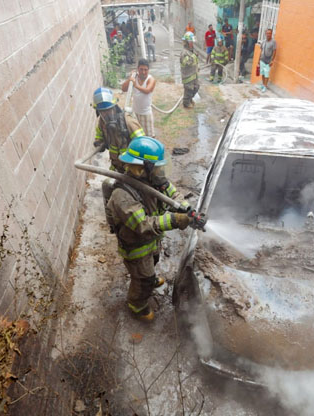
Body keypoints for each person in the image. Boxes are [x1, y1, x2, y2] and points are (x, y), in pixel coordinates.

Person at [105, 137, 195, 322]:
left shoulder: (153, 180)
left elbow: (172, 194)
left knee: (153, 261)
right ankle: (137, 305)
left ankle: (150, 277)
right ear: (141, 168)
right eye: (157, 167)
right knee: (142, 278)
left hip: (151, 242)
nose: (161, 172)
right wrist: (175, 220)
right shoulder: (122, 196)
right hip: (136, 247)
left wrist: (186, 209)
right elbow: (143, 225)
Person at [121, 59, 157, 137]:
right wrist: (130, 78)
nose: (143, 72)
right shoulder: (134, 78)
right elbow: (123, 89)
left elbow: (147, 90)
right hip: (135, 112)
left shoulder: (151, 79)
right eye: (141, 69)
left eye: (145, 70)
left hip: (146, 113)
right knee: (136, 136)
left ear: (148, 70)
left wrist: (135, 85)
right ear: (138, 69)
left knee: (150, 137)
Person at [180, 32, 200, 108]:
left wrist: (197, 67)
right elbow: (187, 63)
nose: (192, 43)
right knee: (188, 90)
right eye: (191, 42)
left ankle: (190, 99)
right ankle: (186, 103)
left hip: (194, 75)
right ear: (187, 42)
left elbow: (195, 61)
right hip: (187, 76)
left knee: (196, 87)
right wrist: (194, 57)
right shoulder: (184, 53)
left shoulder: (191, 51)